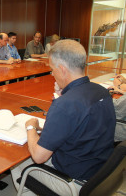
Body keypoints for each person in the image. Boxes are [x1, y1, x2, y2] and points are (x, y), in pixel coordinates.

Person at [11, 39, 115, 195]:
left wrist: (31, 126)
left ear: (62, 69)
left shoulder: (65, 105)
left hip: (74, 183)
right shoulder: (101, 91)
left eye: (52, 69)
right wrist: (63, 95)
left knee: (16, 163)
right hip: (101, 172)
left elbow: (39, 157)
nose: (52, 73)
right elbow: (78, 122)